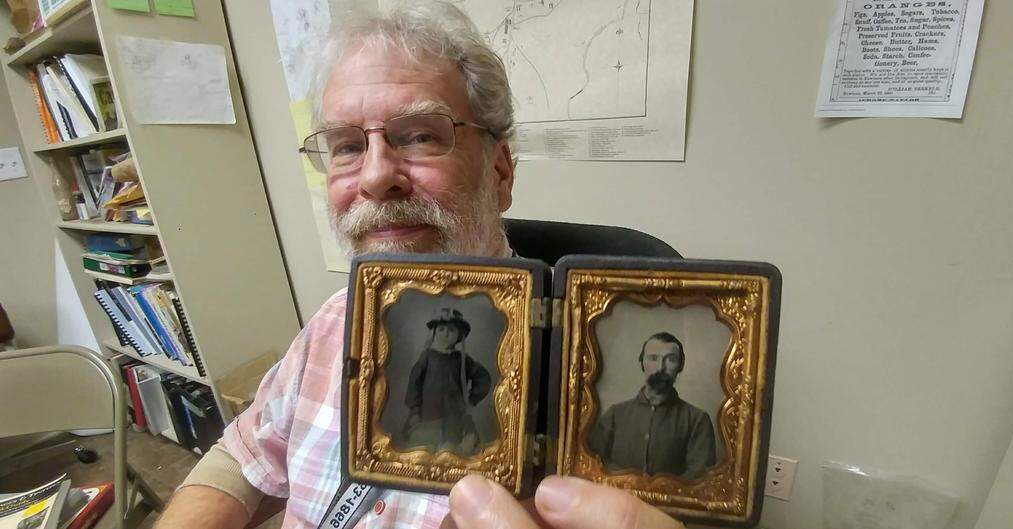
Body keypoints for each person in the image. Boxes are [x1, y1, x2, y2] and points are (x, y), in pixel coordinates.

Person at [156, 2, 684, 529]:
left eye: (420, 136)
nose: (375, 177)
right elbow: (241, 458)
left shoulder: (592, 376)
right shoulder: (337, 318)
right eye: (345, 146)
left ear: (500, 172)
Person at [588, 332, 717, 480]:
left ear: (680, 366)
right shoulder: (614, 415)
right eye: (653, 358)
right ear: (642, 362)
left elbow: (699, 479)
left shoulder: (697, 420)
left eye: (671, 360)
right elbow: (593, 466)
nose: (660, 368)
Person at [401, 308, 491, 455]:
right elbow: (414, 383)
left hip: (454, 417)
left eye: (451, 330)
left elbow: (483, 377)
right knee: (425, 451)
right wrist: (415, 410)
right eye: (441, 329)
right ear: (435, 332)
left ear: (459, 335)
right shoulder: (427, 357)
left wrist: (472, 399)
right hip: (428, 414)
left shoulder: (462, 359)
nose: (446, 333)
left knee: (451, 451)